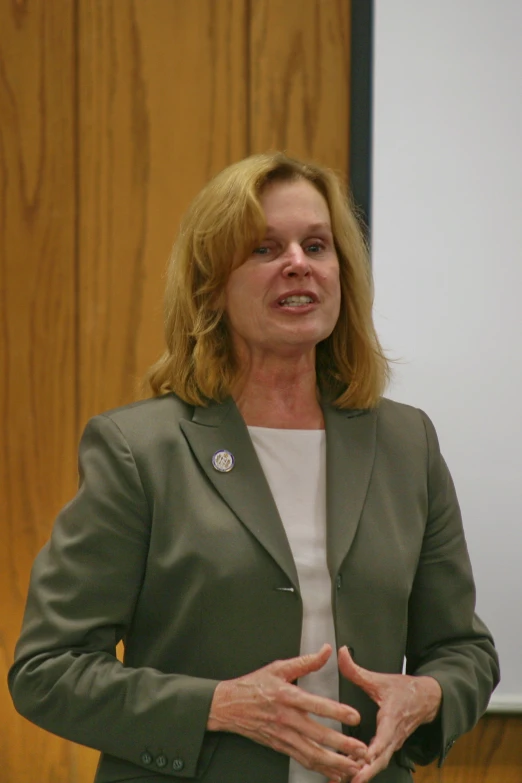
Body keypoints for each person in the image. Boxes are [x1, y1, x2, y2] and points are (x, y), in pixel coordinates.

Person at [9, 152, 499, 783]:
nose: (299, 262)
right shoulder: (139, 450)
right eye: (265, 249)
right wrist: (218, 707)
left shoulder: (406, 443)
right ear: (211, 286)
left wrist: (427, 697)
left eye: (316, 245)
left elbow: (463, 651)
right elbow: (48, 669)